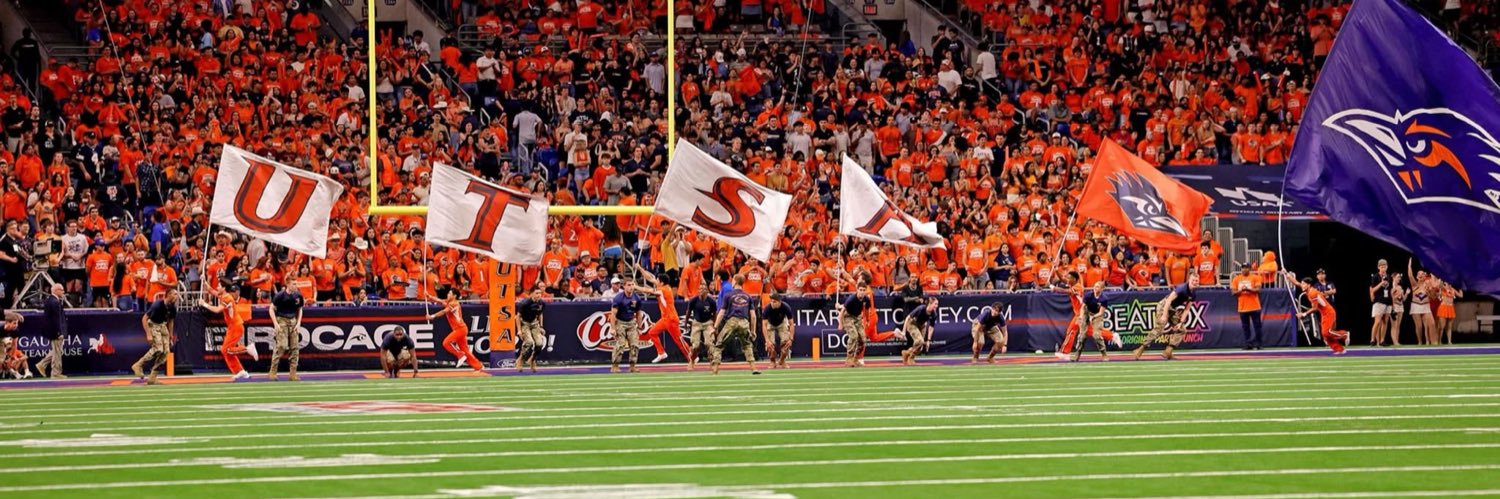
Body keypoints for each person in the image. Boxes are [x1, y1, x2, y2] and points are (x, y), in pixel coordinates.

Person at [199, 284, 257, 380]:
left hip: (236, 326)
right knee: (225, 351)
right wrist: (204, 281)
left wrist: (204, 304)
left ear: (224, 288)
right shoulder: (223, 295)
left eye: (219, 286)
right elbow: (212, 291)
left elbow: (217, 310)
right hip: (232, 327)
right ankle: (240, 371)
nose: (217, 288)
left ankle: (247, 349)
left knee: (226, 350)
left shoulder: (227, 298)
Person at [1134, 274, 1198, 360]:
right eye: (1193, 280)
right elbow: (1168, 300)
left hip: (1173, 309)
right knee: (1159, 328)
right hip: (1164, 306)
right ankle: (1141, 348)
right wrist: (1164, 315)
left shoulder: (1193, 293)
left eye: (1196, 280)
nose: (1195, 282)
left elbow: (1187, 309)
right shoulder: (1182, 288)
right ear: (1189, 280)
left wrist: (1181, 322)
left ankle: (1168, 352)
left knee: (1182, 329)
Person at [634, 265, 689, 364]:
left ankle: (691, 357)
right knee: (652, 332)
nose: (656, 281)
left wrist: (635, 287)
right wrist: (640, 268)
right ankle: (661, 352)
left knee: (679, 341)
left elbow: (647, 290)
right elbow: (650, 278)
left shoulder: (663, 290)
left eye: (658, 280)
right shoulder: (663, 286)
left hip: (671, 319)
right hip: (665, 319)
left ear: (661, 282)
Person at [711, 274, 759, 375]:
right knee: (747, 345)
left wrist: (715, 327)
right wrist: (753, 331)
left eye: (732, 280)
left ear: (735, 281)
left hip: (732, 321)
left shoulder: (728, 295)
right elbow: (753, 316)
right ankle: (753, 367)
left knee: (719, 344)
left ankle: (715, 368)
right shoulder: (748, 296)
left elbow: (721, 312)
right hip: (744, 322)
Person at [1293, 273, 1349, 355]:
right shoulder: (1308, 290)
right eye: (1302, 284)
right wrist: (1287, 275)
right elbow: (1296, 283)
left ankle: (1344, 334)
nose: (1302, 285)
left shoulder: (1312, 293)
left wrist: (1303, 314)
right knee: (1325, 335)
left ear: (1308, 285)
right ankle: (1339, 349)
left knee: (1326, 332)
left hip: (1329, 313)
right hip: (1324, 313)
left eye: (1304, 284)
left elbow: (1315, 308)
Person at [131, 288, 177, 384]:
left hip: (163, 325)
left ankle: (152, 377)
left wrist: (170, 335)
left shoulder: (172, 307)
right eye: (174, 294)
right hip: (153, 324)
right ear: (168, 294)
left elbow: (171, 321)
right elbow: (144, 318)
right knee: (158, 349)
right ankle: (138, 365)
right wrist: (148, 334)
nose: (176, 296)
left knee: (166, 352)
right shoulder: (157, 305)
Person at [429, 290, 482, 371]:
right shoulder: (448, 302)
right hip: (460, 329)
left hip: (460, 329)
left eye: (449, 293)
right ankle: (479, 366)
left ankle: (460, 355)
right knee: (466, 351)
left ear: (454, 296)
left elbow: (443, 311)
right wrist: (429, 296)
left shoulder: (454, 304)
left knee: (446, 343)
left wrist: (432, 316)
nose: (447, 294)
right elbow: (439, 300)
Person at [269, 276, 305, 381]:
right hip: (282, 319)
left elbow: (300, 309)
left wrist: (298, 323)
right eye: (293, 284)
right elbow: (271, 309)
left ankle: (293, 373)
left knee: (295, 347)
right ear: (288, 284)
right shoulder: (280, 295)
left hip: (293, 320)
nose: (295, 286)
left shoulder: (298, 295)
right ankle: (273, 371)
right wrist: (275, 323)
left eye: (296, 284)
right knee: (282, 345)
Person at [1072, 280, 1118, 362]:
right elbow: (1083, 307)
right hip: (1086, 312)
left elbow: (1101, 312)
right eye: (1095, 286)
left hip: (1097, 315)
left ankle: (1104, 354)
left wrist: (1093, 317)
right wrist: (1081, 316)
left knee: (1096, 335)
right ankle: (1077, 354)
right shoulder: (1088, 295)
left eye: (1097, 287)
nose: (1095, 288)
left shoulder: (1104, 299)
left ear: (1102, 289)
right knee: (1082, 336)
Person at [609, 277, 644, 373]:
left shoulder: (637, 298)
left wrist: (640, 327)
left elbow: (639, 313)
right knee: (620, 344)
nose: (631, 287)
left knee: (635, 344)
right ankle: (615, 365)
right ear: (624, 286)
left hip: (631, 322)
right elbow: (613, 314)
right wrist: (613, 328)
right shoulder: (618, 298)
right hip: (620, 322)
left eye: (632, 285)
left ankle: (633, 366)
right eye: (629, 285)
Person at [837, 281, 873, 368]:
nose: (862, 292)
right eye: (860, 290)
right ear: (857, 290)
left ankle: (856, 359)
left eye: (864, 290)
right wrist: (840, 324)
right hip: (848, 316)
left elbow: (867, 310)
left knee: (863, 339)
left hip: (857, 317)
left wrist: (868, 320)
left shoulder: (866, 299)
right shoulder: (851, 299)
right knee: (853, 336)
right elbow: (842, 312)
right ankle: (849, 358)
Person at [1231, 262, 1264, 350]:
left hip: (1254, 306)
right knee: (1245, 327)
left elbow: (1258, 290)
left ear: (1249, 269)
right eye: (1243, 268)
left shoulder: (1255, 277)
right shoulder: (1236, 279)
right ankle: (1248, 344)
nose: (1244, 269)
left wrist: (1248, 289)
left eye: (1246, 268)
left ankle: (1259, 343)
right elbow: (1233, 292)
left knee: (1257, 326)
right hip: (1243, 307)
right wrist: (1241, 291)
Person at [685, 282, 718, 371]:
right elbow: (688, 312)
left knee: (709, 343)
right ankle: (692, 361)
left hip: (708, 323)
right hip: (697, 323)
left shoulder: (711, 301)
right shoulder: (693, 300)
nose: (701, 291)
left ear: (707, 291)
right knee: (695, 345)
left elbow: (715, 314)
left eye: (703, 289)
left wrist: (715, 326)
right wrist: (686, 324)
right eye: (700, 289)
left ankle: (712, 362)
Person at [38, 284, 67, 378]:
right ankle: (55, 373)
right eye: (62, 290)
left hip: (52, 330)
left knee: (57, 351)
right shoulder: (54, 302)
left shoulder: (51, 300)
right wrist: (59, 332)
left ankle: (42, 364)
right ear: (56, 290)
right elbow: (56, 319)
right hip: (55, 331)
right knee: (57, 352)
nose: (63, 292)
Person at [516, 288, 546, 373]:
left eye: (540, 293)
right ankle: (520, 359)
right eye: (536, 293)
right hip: (525, 323)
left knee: (539, 344)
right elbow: (518, 316)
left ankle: (532, 360)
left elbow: (540, 314)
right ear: (531, 294)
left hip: (534, 323)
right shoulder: (525, 303)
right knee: (529, 342)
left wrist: (541, 326)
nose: (539, 295)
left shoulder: (541, 303)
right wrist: (519, 330)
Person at [761, 293, 794, 368]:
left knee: (786, 343)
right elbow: (764, 325)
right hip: (770, 323)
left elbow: (791, 324)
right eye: (771, 301)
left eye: (774, 302)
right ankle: (772, 361)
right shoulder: (767, 308)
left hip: (782, 323)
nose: (772, 303)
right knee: (770, 345)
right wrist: (767, 340)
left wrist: (791, 339)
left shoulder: (786, 307)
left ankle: (782, 360)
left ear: (779, 302)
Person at [901, 297, 937, 366]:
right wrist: (903, 331)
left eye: (937, 304)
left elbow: (931, 327)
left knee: (920, 348)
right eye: (935, 304)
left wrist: (928, 340)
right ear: (930, 303)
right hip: (912, 323)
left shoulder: (934, 314)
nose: (936, 306)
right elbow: (908, 318)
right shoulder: (921, 308)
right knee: (920, 341)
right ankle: (911, 358)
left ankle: (906, 353)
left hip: (922, 325)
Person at [1370, 259, 1394, 346]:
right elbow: (1373, 290)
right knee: (1377, 321)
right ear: (1378, 267)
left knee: (1385, 321)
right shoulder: (1375, 277)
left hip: (1388, 301)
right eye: (1381, 266)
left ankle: (1382, 340)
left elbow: (1390, 290)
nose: (1383, 268)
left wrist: (1392, 303)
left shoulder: (1389, 277)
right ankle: (1373, 340)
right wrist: (1381, 283)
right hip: (1379, 301)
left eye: (1384, 266)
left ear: (1387, 267)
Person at [1436, 280, 1461, 345]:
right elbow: (1440, 285)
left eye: (1450, 283)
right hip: (1443, 307)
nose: (1449, 284)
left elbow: (1460, 295)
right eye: (1448, 283)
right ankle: (1439, 341)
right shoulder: (1443, 288)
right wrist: (1441, 280)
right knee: (1442, 326)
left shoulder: (1453, 289)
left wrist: (1461, 287)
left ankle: (1449, 341)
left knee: (1449, 326)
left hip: (1450, 308)